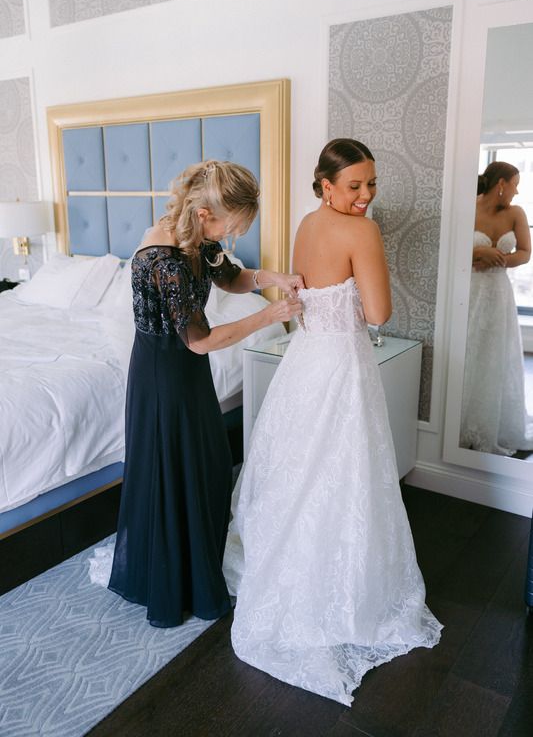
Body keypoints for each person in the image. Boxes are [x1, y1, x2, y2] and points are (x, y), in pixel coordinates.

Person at [223, 138, 442, 706]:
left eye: (372, 183)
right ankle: (338, 587)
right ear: (325, 184)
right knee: (343, 472)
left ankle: (288, 570)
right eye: (355, 185)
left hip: (304, 362)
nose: (367, 195)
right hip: (342, 363)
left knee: (300, 470)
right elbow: (379, 313)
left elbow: (306, 293)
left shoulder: (306, 223)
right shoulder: (361, 232)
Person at [102, 159, 303, 627]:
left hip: (188, 373)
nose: (229, 238)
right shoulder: (164, 261)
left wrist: (273, 278)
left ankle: (196, 563)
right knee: (177, 473)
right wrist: (267, 316)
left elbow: (230, 277)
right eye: (229, 228)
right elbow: (200, 341)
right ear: (204, 213)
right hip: (163, 377)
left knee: (209, 465)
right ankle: (174, 582)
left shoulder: (197, 238)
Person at [460, 160, 533, 455]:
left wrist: (497, 259)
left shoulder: (516, 213)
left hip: (498, 292)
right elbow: (453, 249)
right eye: (515, 184)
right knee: (469, 348)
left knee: (494, 353)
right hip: (469, 291)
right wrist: (479, 252)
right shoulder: (467, 207)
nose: (517, 191)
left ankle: (492, 423)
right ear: (501, 184)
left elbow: (525, 253)